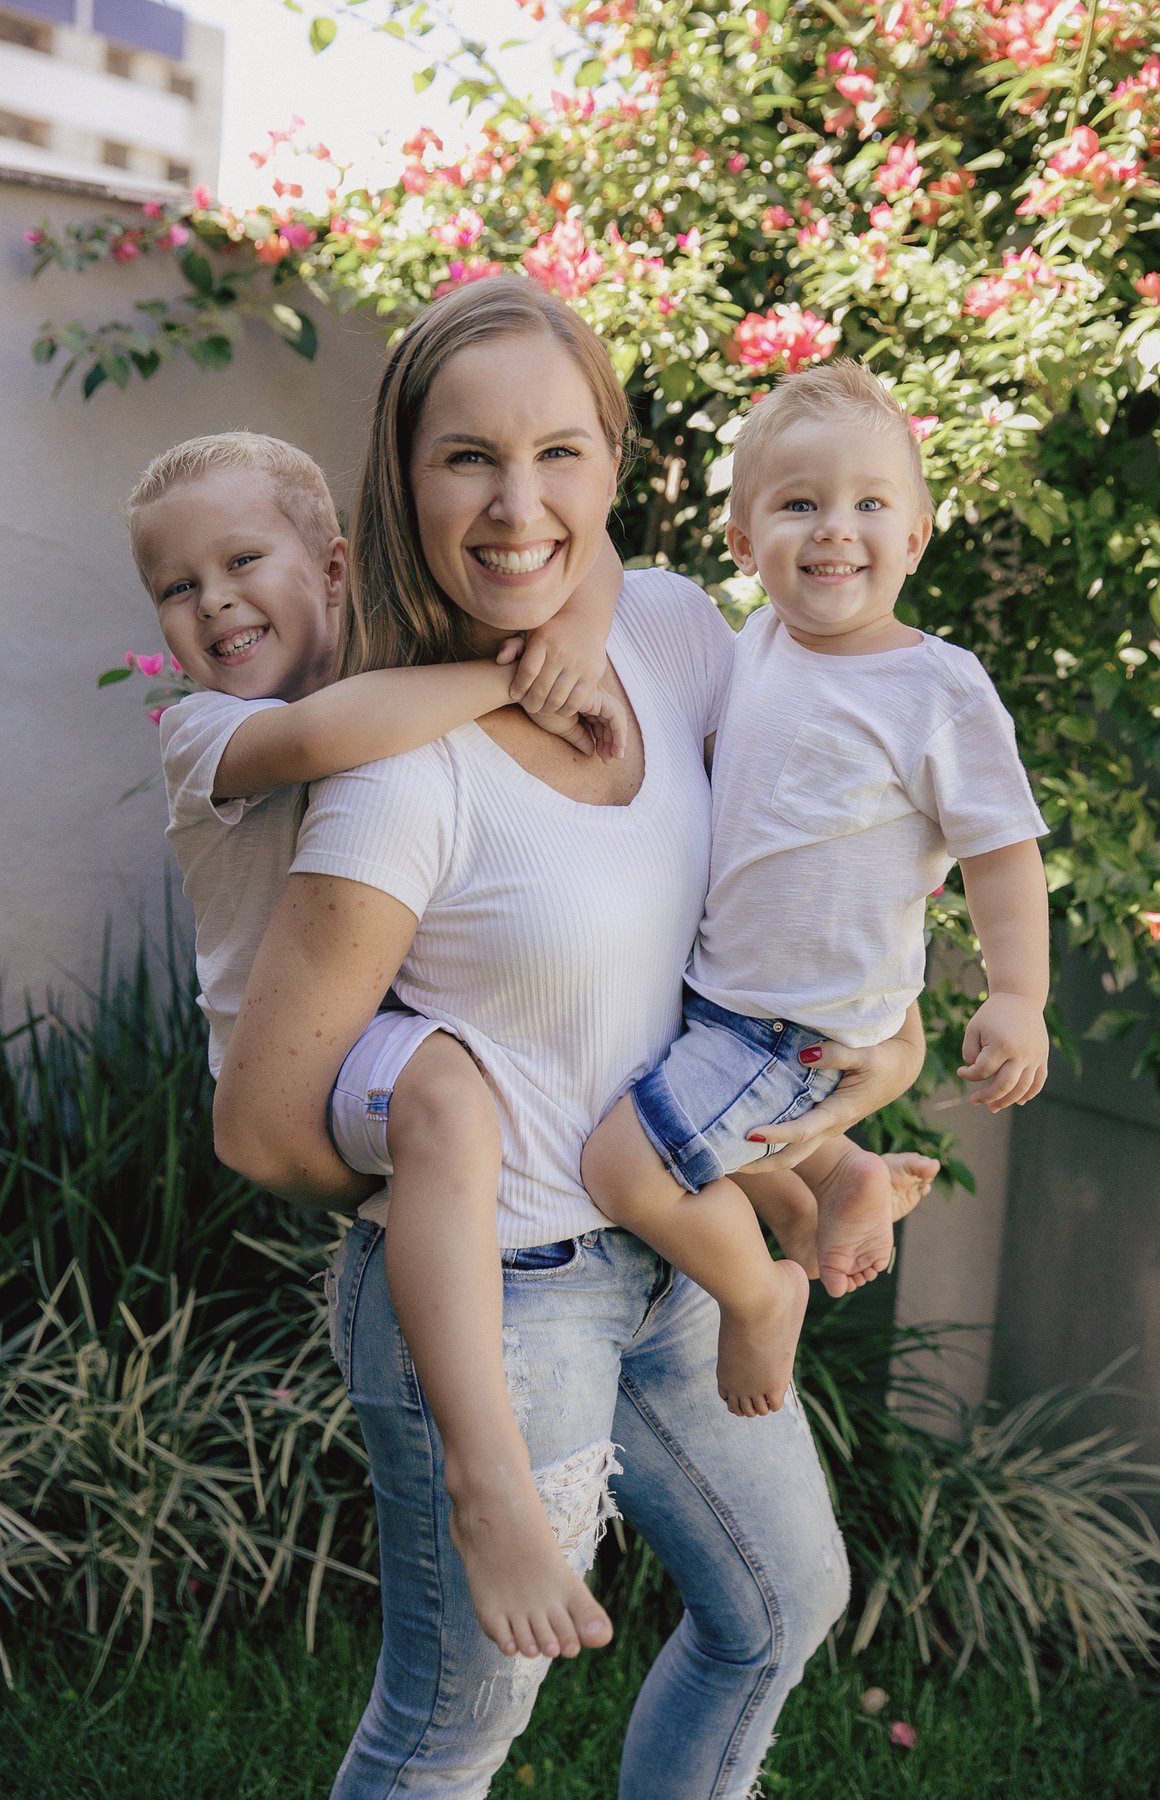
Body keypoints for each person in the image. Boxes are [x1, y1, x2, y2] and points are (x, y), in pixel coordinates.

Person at [213, 277, 933, 1798]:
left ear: (613, 461)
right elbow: (262, 1125)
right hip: (515, 1303)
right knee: (454, 1731)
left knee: (780, 1604)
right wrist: (471, 1172)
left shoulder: (671, 632)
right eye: (466, 456)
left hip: (683, 1245)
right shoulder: (400, 775)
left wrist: (894, 1029)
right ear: (403, 484)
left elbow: (815, 823)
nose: (516, 503)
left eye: (558, 453)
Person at [128, 430, 629, 1660]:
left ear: (338, 565)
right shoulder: (203, 733)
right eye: (177, 588)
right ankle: (488, 1481)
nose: (215, 602)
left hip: (403, 1035)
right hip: (306, 1070)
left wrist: (571, 632)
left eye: (243, 559)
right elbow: (322, 739)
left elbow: (601, 549)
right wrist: (529, 673)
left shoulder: (402, 662)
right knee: (453, 1098)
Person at [583, 360, 1050, 1420]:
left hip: (796, 1027)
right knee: (708, 1127)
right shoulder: (753, 645)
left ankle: (759, 1297)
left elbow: (1002, 850)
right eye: (800, 504)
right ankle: (842, 1179)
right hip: (725, 1000)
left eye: (871, 504)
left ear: (918, 536)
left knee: (622, 1165)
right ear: (746, 546)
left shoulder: (935, 686)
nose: (837, 529)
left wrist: (1017, 995)